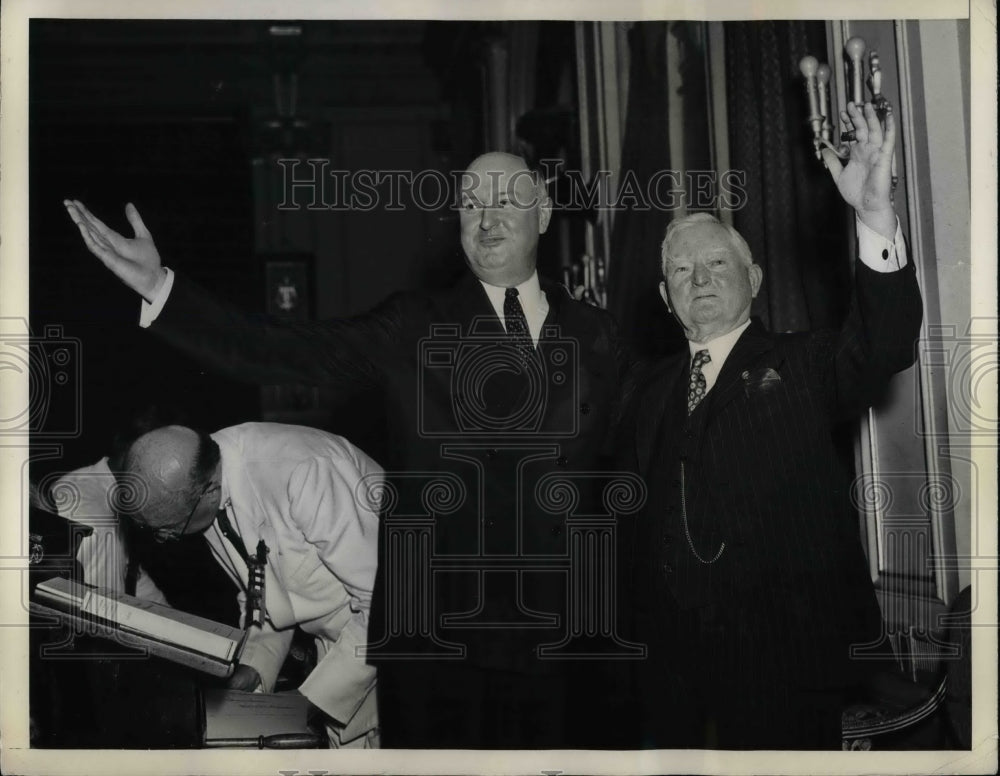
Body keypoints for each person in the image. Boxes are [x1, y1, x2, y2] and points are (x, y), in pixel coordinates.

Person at [64, 152, 635, 748]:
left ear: (543, 212)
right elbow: (279, 348)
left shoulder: (599, 337)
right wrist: (162, 289)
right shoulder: (412, 326)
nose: (486, 217)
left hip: (566, 649)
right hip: (438, 654)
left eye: (506, 200)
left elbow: (630, 476)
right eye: (470, 203)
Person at [618, 102, 923, 748]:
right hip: (670, 679)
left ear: (753, 279)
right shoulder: (647, 394)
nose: (699, 278)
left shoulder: (804, 364)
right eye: (681, 270)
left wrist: (874, 215)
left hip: (786, 672)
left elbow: (884, 344)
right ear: (665, 298)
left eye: (718, 265)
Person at [115, 421, 382, 748]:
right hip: (340, 653)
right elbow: (263, 593)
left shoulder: (306, 470)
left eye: (169, 530)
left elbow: (386, 605)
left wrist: (310, 700)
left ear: (209, 490)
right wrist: (254, 665)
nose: (165, 540)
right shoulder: (201, 481)